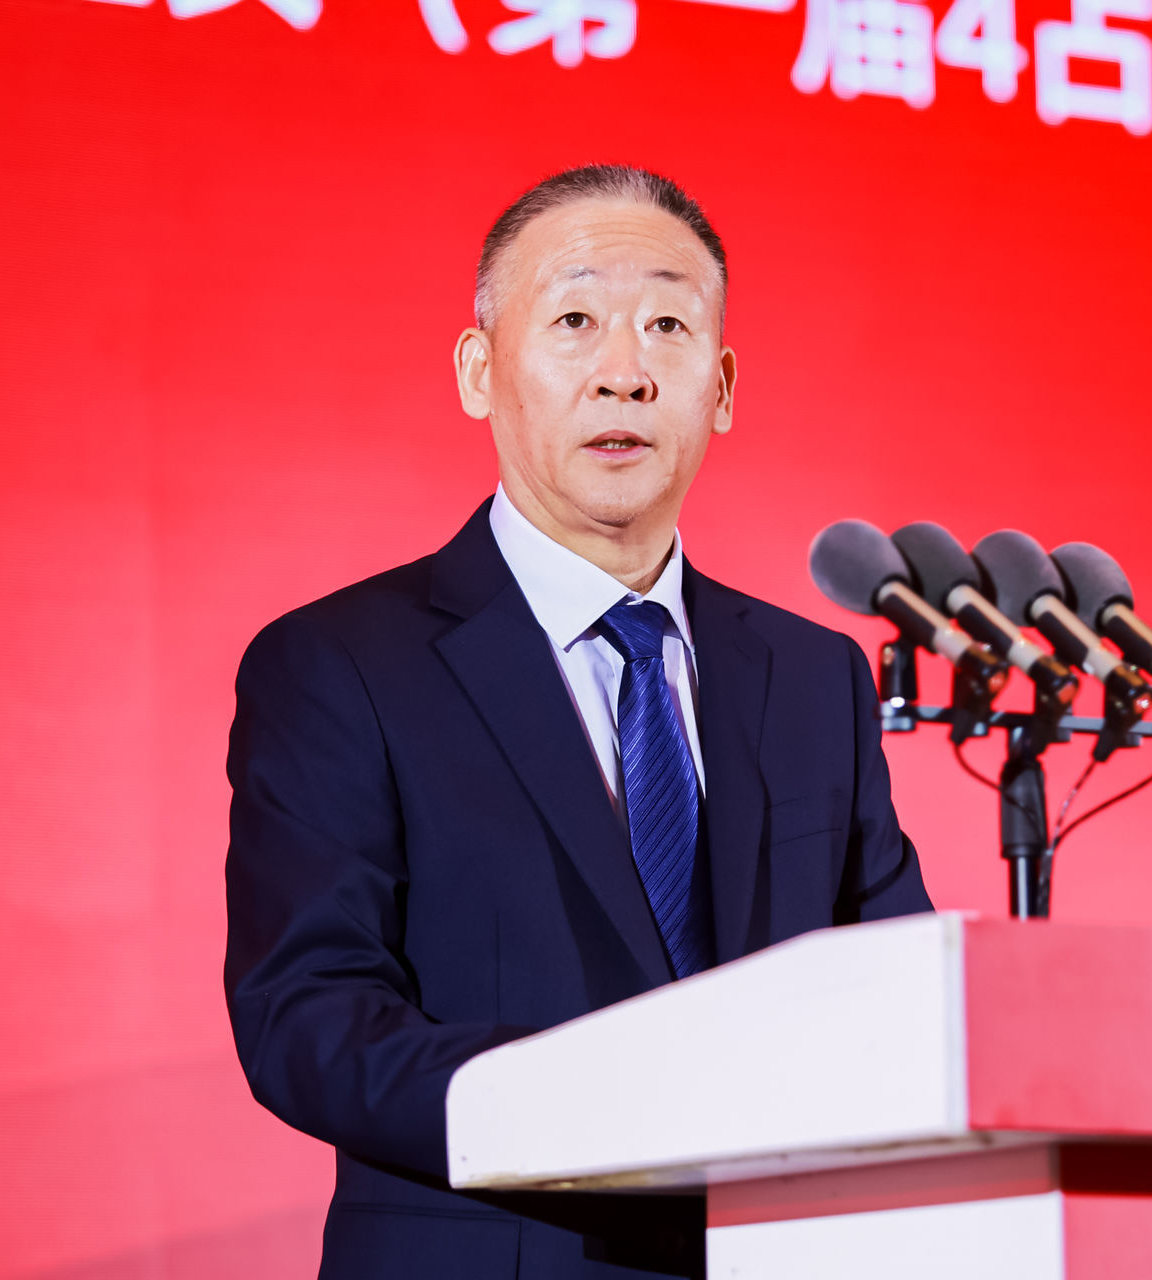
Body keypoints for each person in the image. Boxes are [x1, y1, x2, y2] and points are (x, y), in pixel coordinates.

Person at [223, 165, 933, 1280]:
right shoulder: (341, 663)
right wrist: (595, 1107)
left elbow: (895, 996)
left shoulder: (814, 678)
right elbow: (307, 1017)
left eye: (667, 327)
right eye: (574, 321)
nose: (625, 372)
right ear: (479, 371)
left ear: (722, 386)